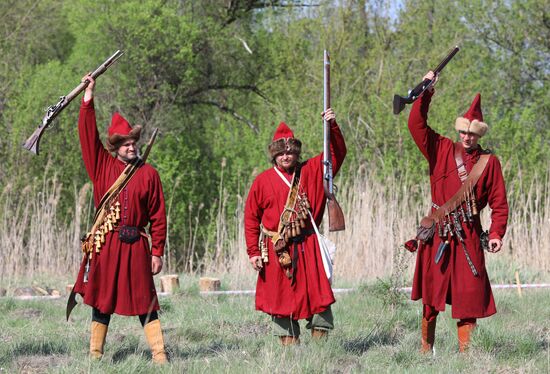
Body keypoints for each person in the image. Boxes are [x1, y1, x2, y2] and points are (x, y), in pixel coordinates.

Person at [407, 71, 509, 353]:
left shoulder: (489, 163)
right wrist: (426, 91)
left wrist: (497, 232)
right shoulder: (440, 148)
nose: (467, 137)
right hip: (438, 232)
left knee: (470, 295)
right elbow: (416, 125)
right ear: (459, 131)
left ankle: (466, 357)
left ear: (479, 134)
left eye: (472, 134)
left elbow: (499, 203)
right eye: (463, 132)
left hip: (468, 234)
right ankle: (426, 350)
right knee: (431, 295)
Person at [71, 74, 168, 363]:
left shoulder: (149, 174)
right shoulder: (101, 165)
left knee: (145, 300)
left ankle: (160, 355)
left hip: (137, 245)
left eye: (133, 142)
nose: (131, 147)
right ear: (115, 146)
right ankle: (95, 355)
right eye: (124, 144)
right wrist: (88, 97)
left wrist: (158, 251)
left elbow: (158, 215)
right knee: (101, 299)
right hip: (107, 244)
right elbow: (88, 135)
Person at [244, 109, 346, 345]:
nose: (286, 156)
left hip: (307, 246)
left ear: (296, 152)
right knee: (281, 304)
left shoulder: (311, 171)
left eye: (290, 151)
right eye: (281, 153)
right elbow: (251, 218)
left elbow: (337, 153)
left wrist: (332, 126)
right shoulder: (262, 181)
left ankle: (321, 352)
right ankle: (291, 355)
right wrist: (254, 252)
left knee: (319, 300)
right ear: (274, 156)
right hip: (277, 249)